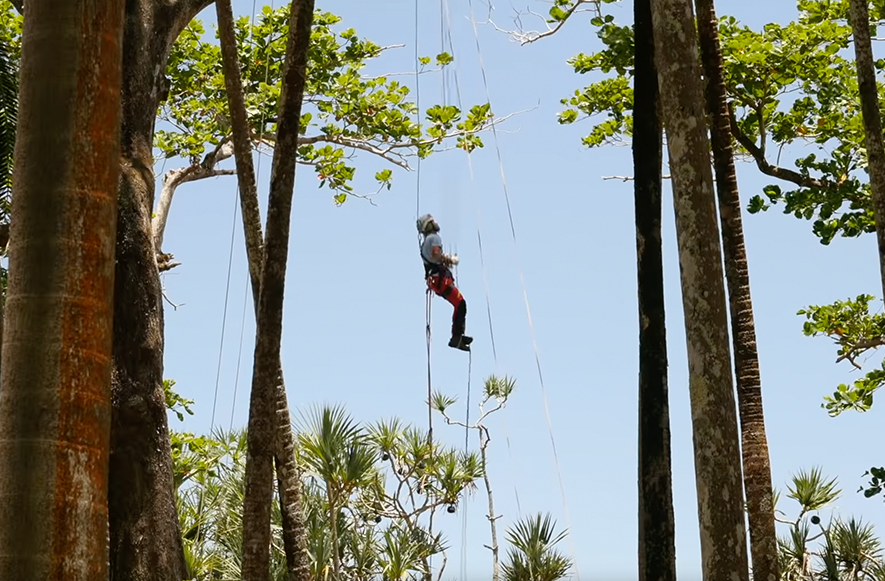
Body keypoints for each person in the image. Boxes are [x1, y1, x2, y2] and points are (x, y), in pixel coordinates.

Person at [417, 214, 473, 351]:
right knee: (461, 304)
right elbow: (435, 255)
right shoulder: (434, 238)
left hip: (435, 281)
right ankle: (456, 337)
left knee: (459, 304)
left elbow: (431, 258)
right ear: (429, 226)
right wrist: (448, 259)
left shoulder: (425, 243)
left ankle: (458, 335)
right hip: (441, 280)